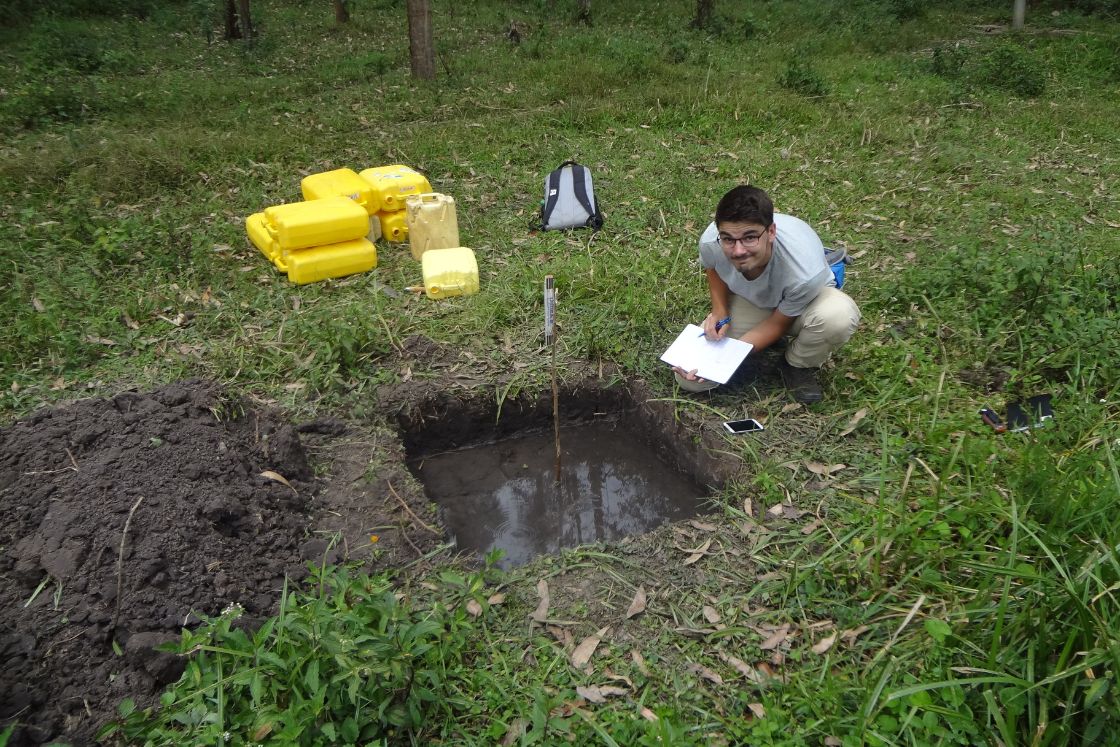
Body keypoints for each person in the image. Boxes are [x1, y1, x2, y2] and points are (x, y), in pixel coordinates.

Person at [673, 185, 860, 403]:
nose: (738, 250)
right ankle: (759, 341)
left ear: (771, 232)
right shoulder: (710, 241)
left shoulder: (805, 271)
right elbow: (712, 267)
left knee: (838, 316)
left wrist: (726, 358)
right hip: (754, 299)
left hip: (806, 301)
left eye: (750, 237)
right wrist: (719, 310)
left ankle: (796, 364)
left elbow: (778, 324)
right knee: (691, 378)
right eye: (728, 239)